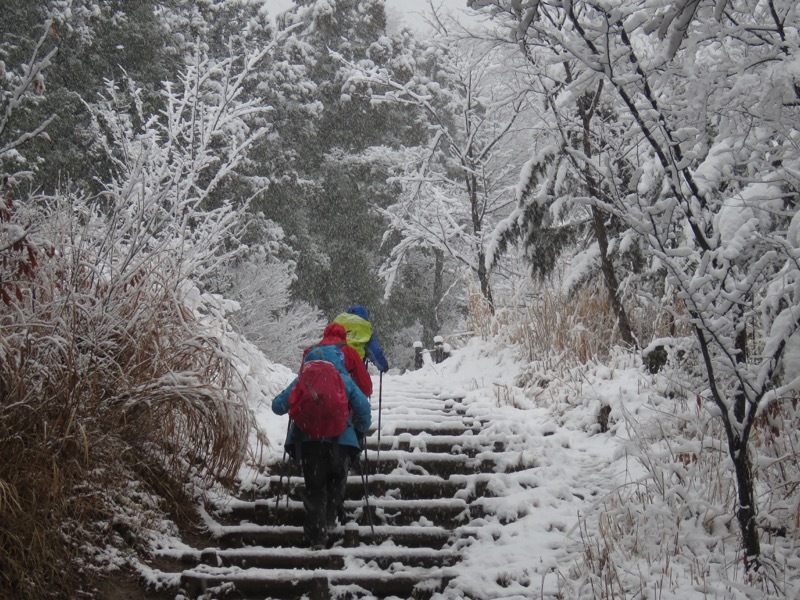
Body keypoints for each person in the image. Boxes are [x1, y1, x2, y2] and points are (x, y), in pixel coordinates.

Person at [272, 339, 372, 549]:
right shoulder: (344, 379)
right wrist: (360, 428)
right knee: (336, 481)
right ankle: (330, 518)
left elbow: (277, 406)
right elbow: (363, 407)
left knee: (315, 488)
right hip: (342, 442)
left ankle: (317, 535)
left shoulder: (303, 379)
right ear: (338, 360)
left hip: (309, 442)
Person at [304, 323, 372, 397]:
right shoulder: (349, 352)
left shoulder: (310, 351)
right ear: (344, 336)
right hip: (340, 401)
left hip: (312, 399)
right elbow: (365, 387)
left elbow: (301, 380)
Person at [332, 305, 390, 373]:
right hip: (353, 368)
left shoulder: (334, 326)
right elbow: (375, 351)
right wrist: (383, 366)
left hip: (332, 366)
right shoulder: (364, 329)